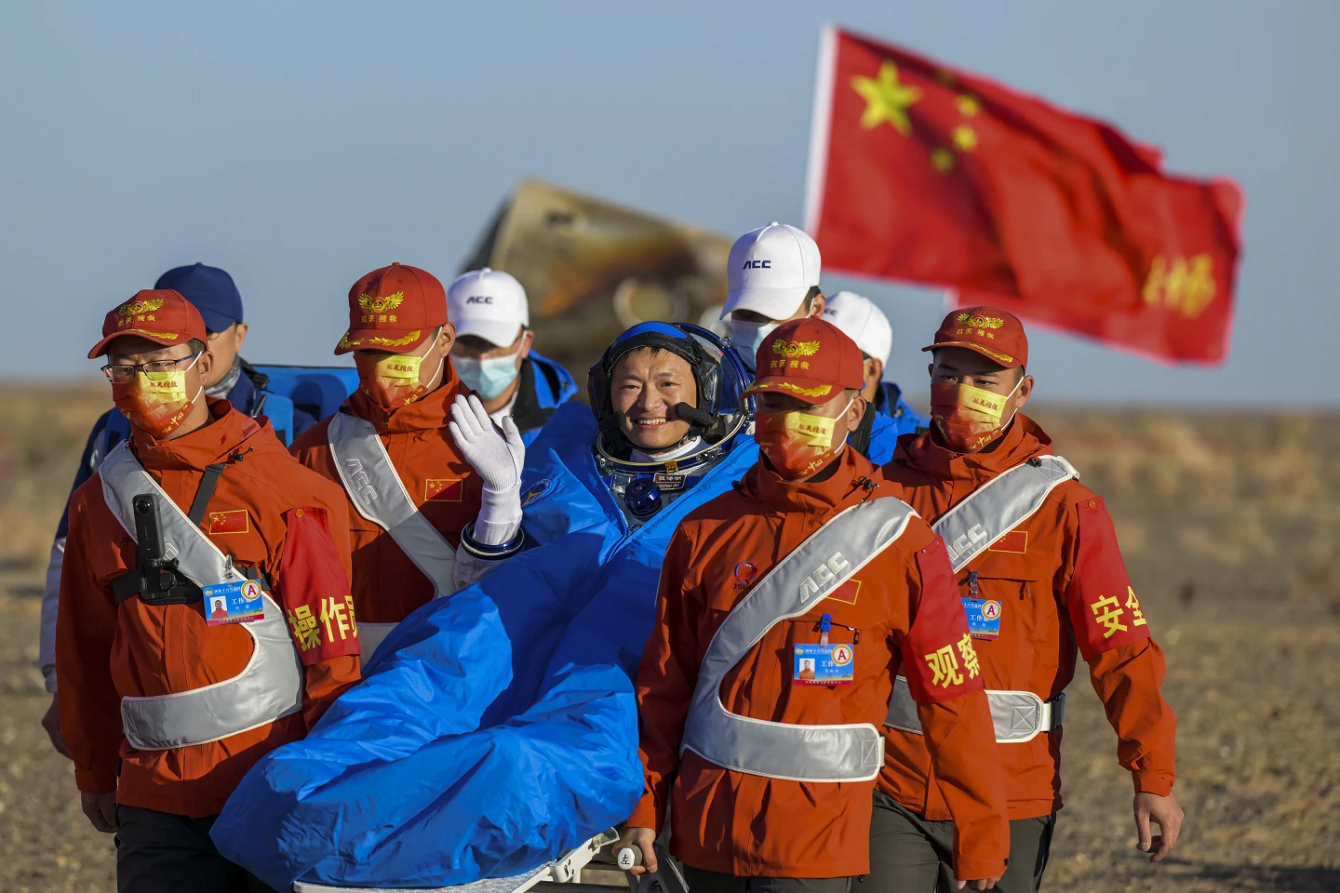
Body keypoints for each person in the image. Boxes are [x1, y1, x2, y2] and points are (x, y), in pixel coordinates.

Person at [208, 323, 761, 889]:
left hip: (609, 678)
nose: (648, 403)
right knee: (367, 731)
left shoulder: (748, 486)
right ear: (602, 392)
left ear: (711, 391)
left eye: (669, 384)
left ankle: (372, 850)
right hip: (484, 645)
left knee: (518, 763)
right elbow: (492, 574)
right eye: (629, 385)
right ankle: (326, 830)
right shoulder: (568, 450)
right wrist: (501, 499)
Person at [623, 317, 1009, 893]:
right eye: (772, 400)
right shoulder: (703, 530)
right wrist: (643, 810)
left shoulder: (900, 542)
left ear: (853, 413)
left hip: (819, 845)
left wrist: (981, 832)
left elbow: (952, 699)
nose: (784, 419)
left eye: (805, 402)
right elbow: (662, 686)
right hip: (704, 834)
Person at [56, 289, 361, 891]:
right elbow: (84, 651)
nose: (142, 381)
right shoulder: (98, 501)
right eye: (124, 367)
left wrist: (330, 772)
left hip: (271, 784)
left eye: (161, 363)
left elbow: (327, 642)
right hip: (153, 800)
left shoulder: (277, 484)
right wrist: (93, 770)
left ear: (203, 363)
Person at [870, 307, 1182, 893]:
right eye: (947, 373)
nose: (961, 393)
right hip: (890, 787)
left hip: (1013, 789)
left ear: (1022, 390)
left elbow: (1123, 651)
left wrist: (1153, 777)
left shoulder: (1066, 509)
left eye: (985, 382)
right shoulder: (880, 493)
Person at [38, 263, 320, 757]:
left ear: (233, 338)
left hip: (267, 721)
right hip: (151, 723)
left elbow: (318, 585)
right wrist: (59, 680)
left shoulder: (289, 427)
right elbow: (72, 560)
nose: (148, 377)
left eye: (205, 330)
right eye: (132, 361)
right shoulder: (113, 432)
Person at [288, 262, 487, 663]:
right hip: (339, 682)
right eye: (368, 350)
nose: (380, 366)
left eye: (397, 349)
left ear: (445, 338)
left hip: (447, 678)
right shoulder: (310, 451)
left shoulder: (487, 450)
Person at [446, 267, 577, 443]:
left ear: (525, 343)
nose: (481, 358)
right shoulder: (410, 414)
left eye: (494, 344)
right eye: (468, 342)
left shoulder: (571, 426)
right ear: (443, 341)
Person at [822, 290, 928, 462]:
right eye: (810, 349)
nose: (813, 364)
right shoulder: (773, 415)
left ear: (871, 370)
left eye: (832, 356)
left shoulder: (919, 448)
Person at [721, 223, 827, 373]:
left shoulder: (838, 392)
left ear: (816, 308)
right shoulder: (708, 386)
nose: (759, 329)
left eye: (775, 313)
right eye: (746, 313)